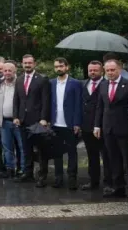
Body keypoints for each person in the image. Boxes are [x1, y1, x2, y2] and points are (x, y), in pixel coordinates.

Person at [94, 59, 128, 200]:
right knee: (113, 160)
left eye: (113, 70)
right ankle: (118, 187)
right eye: (107, 70)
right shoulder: (103, 85)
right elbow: (100, 107)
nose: (110, 73)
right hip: (108, 129)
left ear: (120, 69)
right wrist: (97, 125)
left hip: (125, 129)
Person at [13, 54, 51, 185]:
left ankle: (42, 176)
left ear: (34, 64)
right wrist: (16, 116)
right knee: (26, 149)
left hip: (37, 121)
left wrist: (44, 118)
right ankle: (28, 173)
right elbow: (16, 100)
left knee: (40, 150)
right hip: (23, 120)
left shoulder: (42, 79)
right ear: (22, 64)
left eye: (30, 63)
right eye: (25, 63)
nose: (27, 65)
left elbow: (46, 101)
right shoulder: (19, 79)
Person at [50, 58, 83, 190]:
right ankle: (58, 178)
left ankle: (72, 178)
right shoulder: (51, 83)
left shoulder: (75, 83)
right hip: (55, 123)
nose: (59, 69)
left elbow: (78, 104)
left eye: (61, 66)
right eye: (56, 66)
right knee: (57, 153)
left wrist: (77, 122)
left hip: (69, 124)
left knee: (72, 152)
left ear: (67, 67)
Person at [80, 60, 111, 191]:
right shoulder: (83, 83)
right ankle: (93, 181)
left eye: (95, 70)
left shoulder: (107, 84)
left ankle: (109, 183)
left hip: (103, 127)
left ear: (102, 71)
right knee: (92, 156)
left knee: (107, 156)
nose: (92, 72)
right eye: (90, 70)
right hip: (87, 126)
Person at [0, 63, 23, 179]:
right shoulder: (0, 84)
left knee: (22, 147)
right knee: (7, 147)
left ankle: (22, 169)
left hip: (17, 121)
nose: (7, 72)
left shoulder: (20, 83)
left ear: (15, 71)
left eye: (10, 70)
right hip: (4, 121)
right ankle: (10, 169)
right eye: (5, 70)